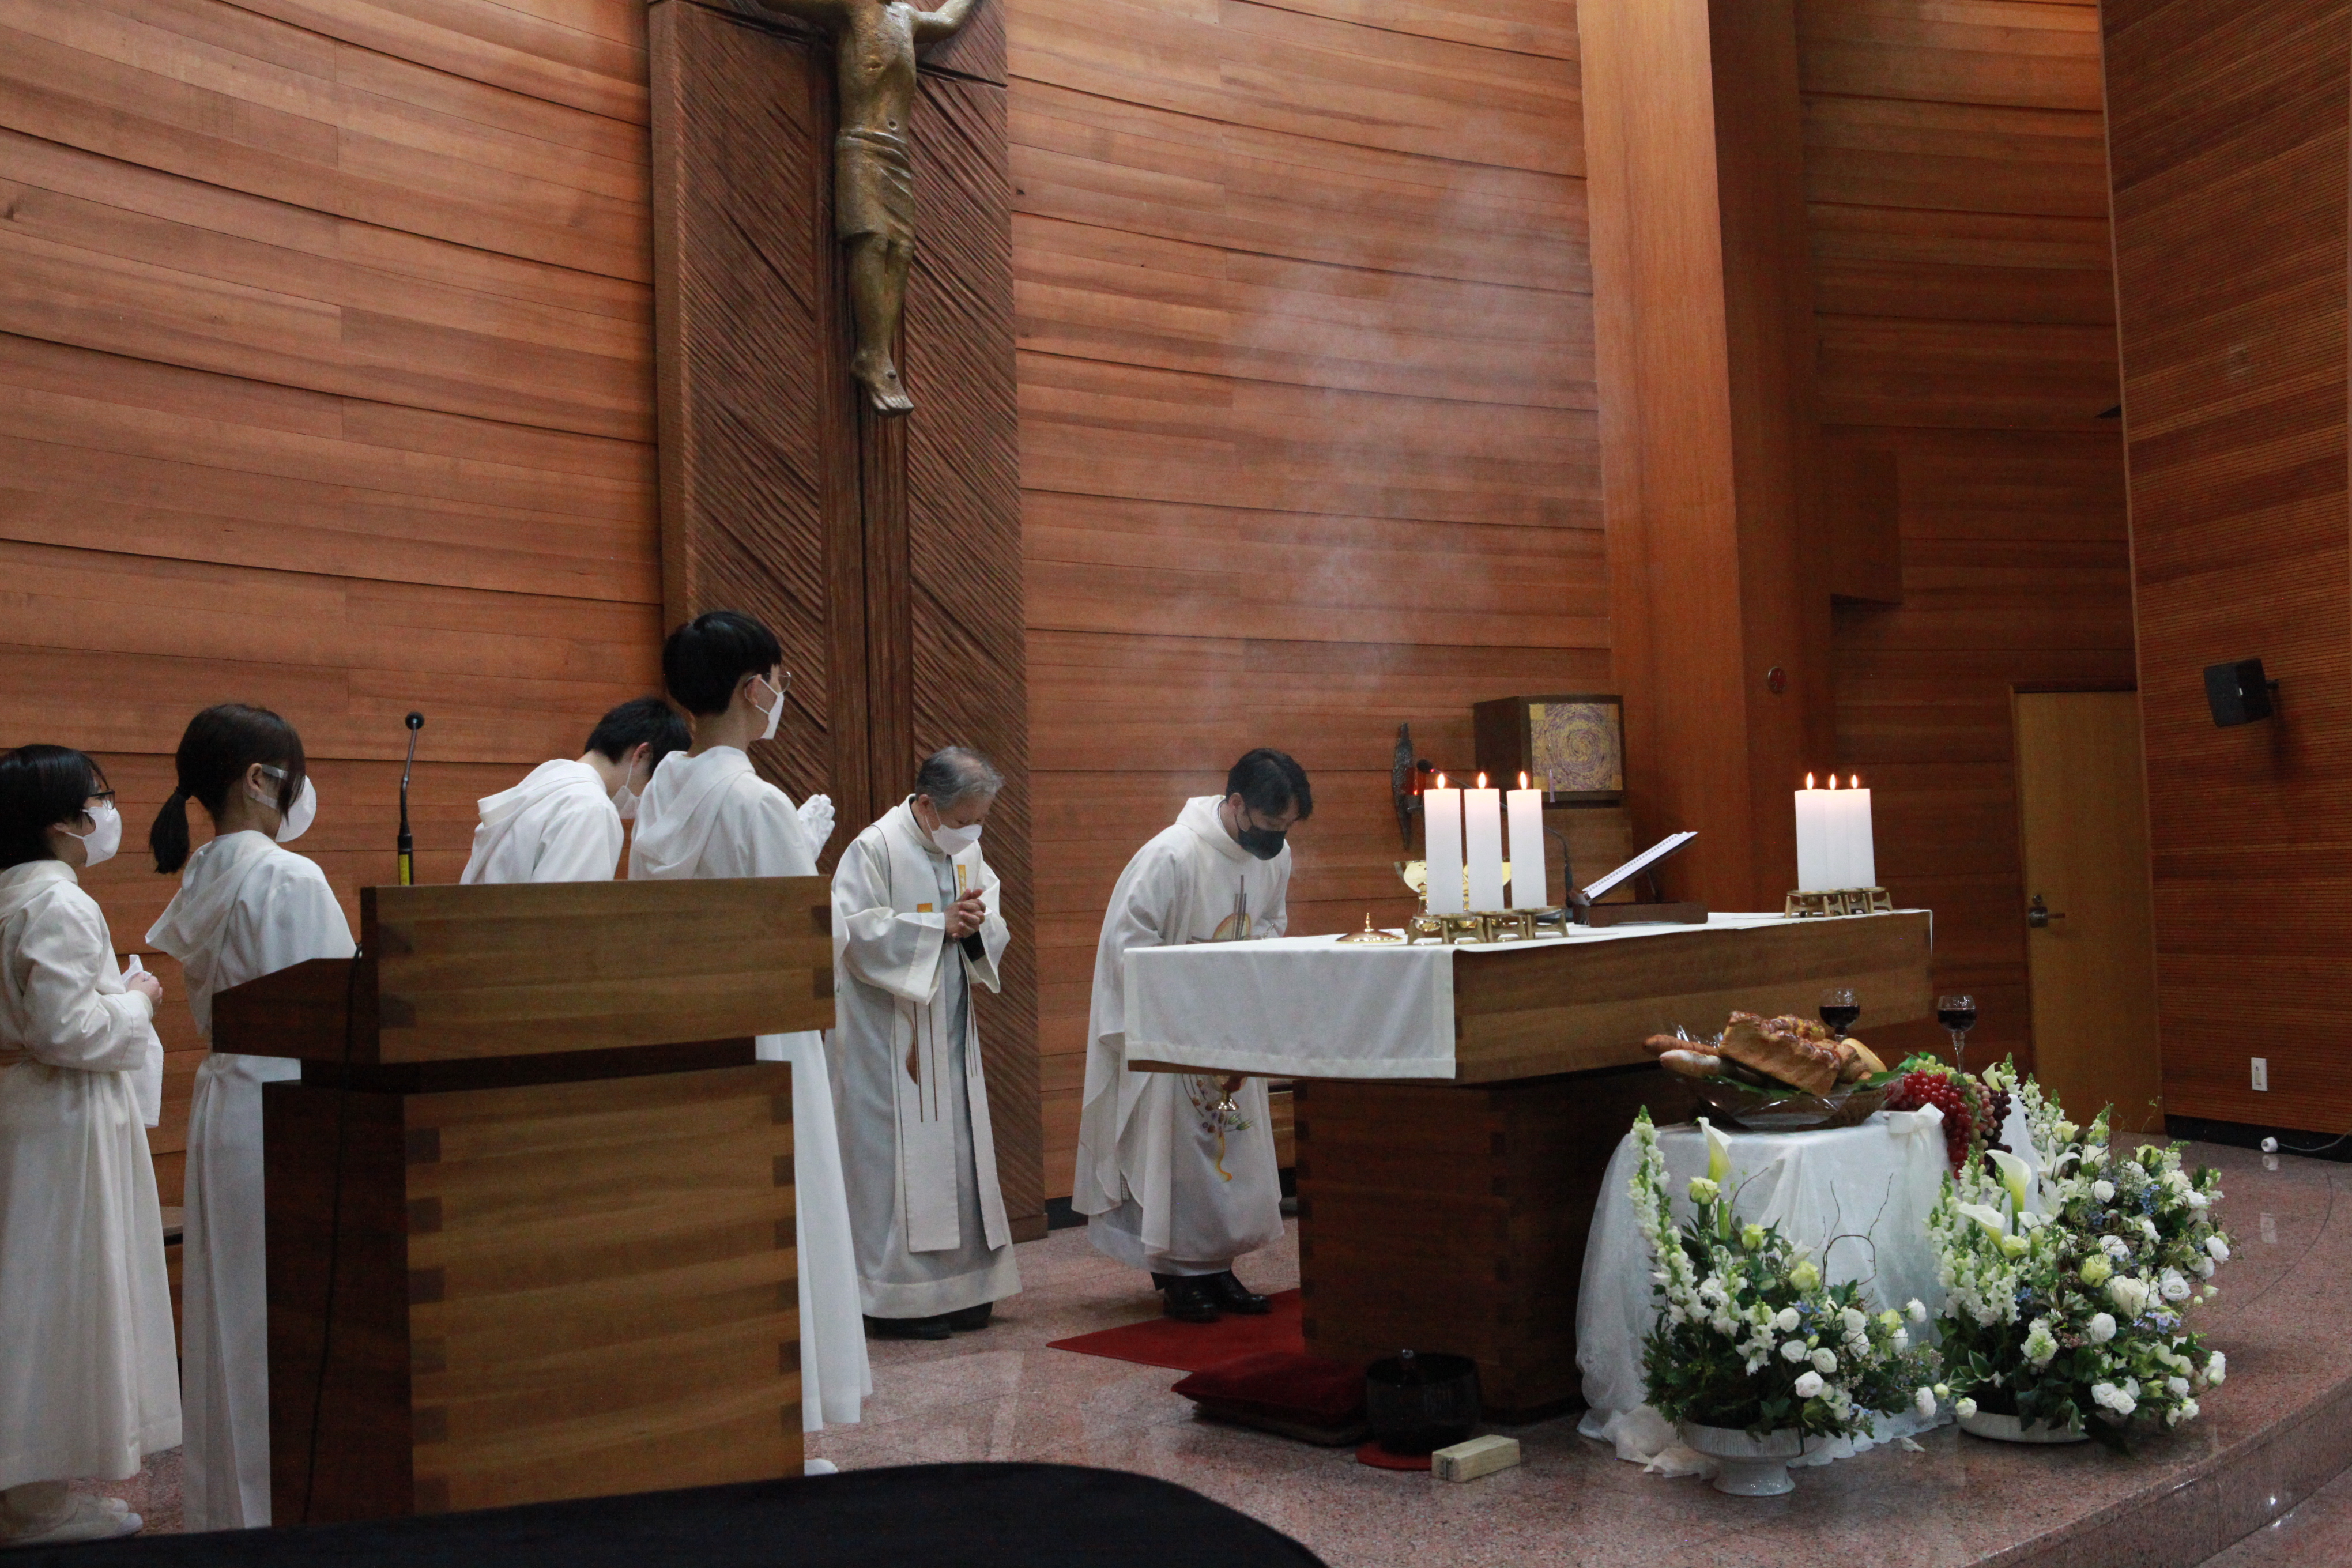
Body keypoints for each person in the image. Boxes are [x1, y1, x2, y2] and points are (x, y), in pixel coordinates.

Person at [629, 611, 867, 1442]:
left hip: (690, 1034)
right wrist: (804, 865)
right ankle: (786, 1421)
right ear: (752, 688)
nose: (782, 693)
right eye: (780, 679)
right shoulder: (754, 799)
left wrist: (788, 850)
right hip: (768, 1033)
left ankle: (719, 1418)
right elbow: (810, 940)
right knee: (785, 1217)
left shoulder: (664, 787)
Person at [145, 706, 356, 1531]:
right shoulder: (287, 875)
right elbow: (335, 1004)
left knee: (231, 1315)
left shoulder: (208, 867)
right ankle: (281, 1511)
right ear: (260, 780)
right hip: (284, 1098)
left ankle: (228, 1510)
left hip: (228, 1097)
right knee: (278, 1318)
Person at [0, 748, 178, 1546]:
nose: (104, 813)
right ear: (60, 821)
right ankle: (35, 1504)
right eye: (95, 800)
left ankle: (30, 1490)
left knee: (33, 1300)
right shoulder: (58, 902)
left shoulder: (14, 894)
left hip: (36, 1110)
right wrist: (137, 1001)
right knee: (59, 1305)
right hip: (65, 1118)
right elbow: (69, 1030)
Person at [1073, 749, 1311, 1322]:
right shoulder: (1171, 854)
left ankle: (1218, 1267)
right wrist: (1196, 985)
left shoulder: (1274, 857)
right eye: (1269, 825)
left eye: (1287, 828)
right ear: (1237, 804)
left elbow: (1271, 922)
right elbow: (1127, 944)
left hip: (1232, 1030)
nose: (1276, 840)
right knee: (1182, 1155)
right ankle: (1179, 1274)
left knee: (1231, 1146)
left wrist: (1245, 974)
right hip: (1174, 1033)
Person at [830, 748, 1020, 1340]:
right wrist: (938, 925)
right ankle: (896, 1297)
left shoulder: (965, 848)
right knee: (897, 1163)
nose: (973, 831)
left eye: (980, 820)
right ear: (928, 805)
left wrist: (976, 924)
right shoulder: (875, 848)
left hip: (951, 1028)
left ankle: (964, 1286)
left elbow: (990, 916)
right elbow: (852, 933)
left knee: (959, 1152)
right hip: (890, 1038)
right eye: (965, 819)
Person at [460, 697, 692, 885]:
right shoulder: (592, 808)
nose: (647, 797)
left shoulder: (548, 778)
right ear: (642, 755)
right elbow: (567, 919)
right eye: (655, 781)